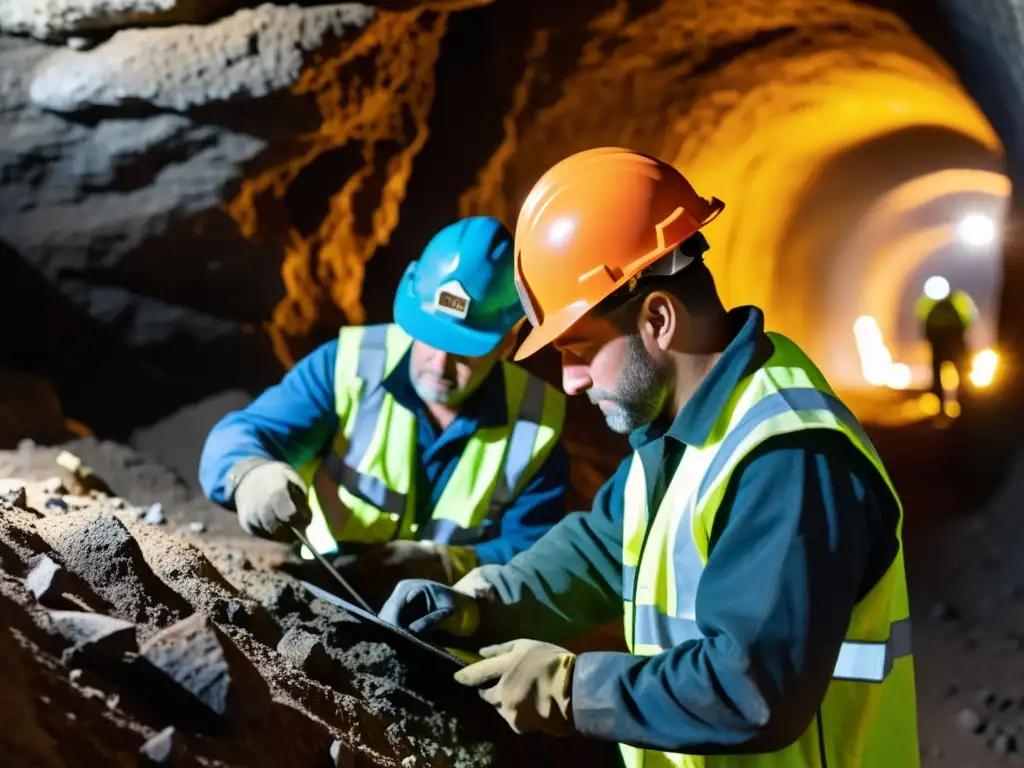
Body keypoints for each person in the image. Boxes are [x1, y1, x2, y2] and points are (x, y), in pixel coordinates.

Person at [379, 148, 919, 767]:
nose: (571, 380)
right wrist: (482, 604)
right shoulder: (682, 431)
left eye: (578, 348)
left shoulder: (787, 458)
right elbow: (605, 548)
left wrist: (572, 690)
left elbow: (749, 690)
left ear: (658, 319)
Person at [199, 216, 570, 605]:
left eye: (462, 350)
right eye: (428, 336)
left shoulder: (535, 424)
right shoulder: (349, 366)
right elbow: (242, 433)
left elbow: (536, 553)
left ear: (507, 342)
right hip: (322, 590)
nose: (438, 363)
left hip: (440, 624)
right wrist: (251, 474)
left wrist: (447, 564)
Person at [915, 278, 977, 408]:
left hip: (939, 343)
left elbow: (922, 320)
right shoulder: (958, 300)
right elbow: (970, 319)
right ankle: (963, 404)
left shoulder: (928, 303)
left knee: (939, 373)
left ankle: (942, 404)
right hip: (954, 342)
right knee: (961, 372)